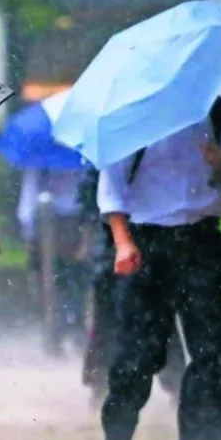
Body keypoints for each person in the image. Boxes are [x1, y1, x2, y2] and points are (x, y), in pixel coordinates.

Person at [97, 97, 221, 440]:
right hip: (146, 245)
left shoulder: (212, 109)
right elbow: (111, 188)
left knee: (211, 353)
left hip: (203, 243)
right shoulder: (127, 114)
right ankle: (117, 435)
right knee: (140, 352)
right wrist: (123, 241)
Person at [80, 169, 187, 406]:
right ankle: (100, 383)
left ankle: (176, 382)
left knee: (161, 316)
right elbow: (90, 204)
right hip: (111, 250)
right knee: (108, 317)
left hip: (154, 240)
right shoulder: (102, 158)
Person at [17, 167, 92, 354]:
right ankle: (53, 333)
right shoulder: (41, 160)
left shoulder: (82, 159)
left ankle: (77, 328)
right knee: (50, 282)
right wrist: (29, 234)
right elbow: (29, 196)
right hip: (48, 219)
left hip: (76, 220)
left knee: (78, 279)